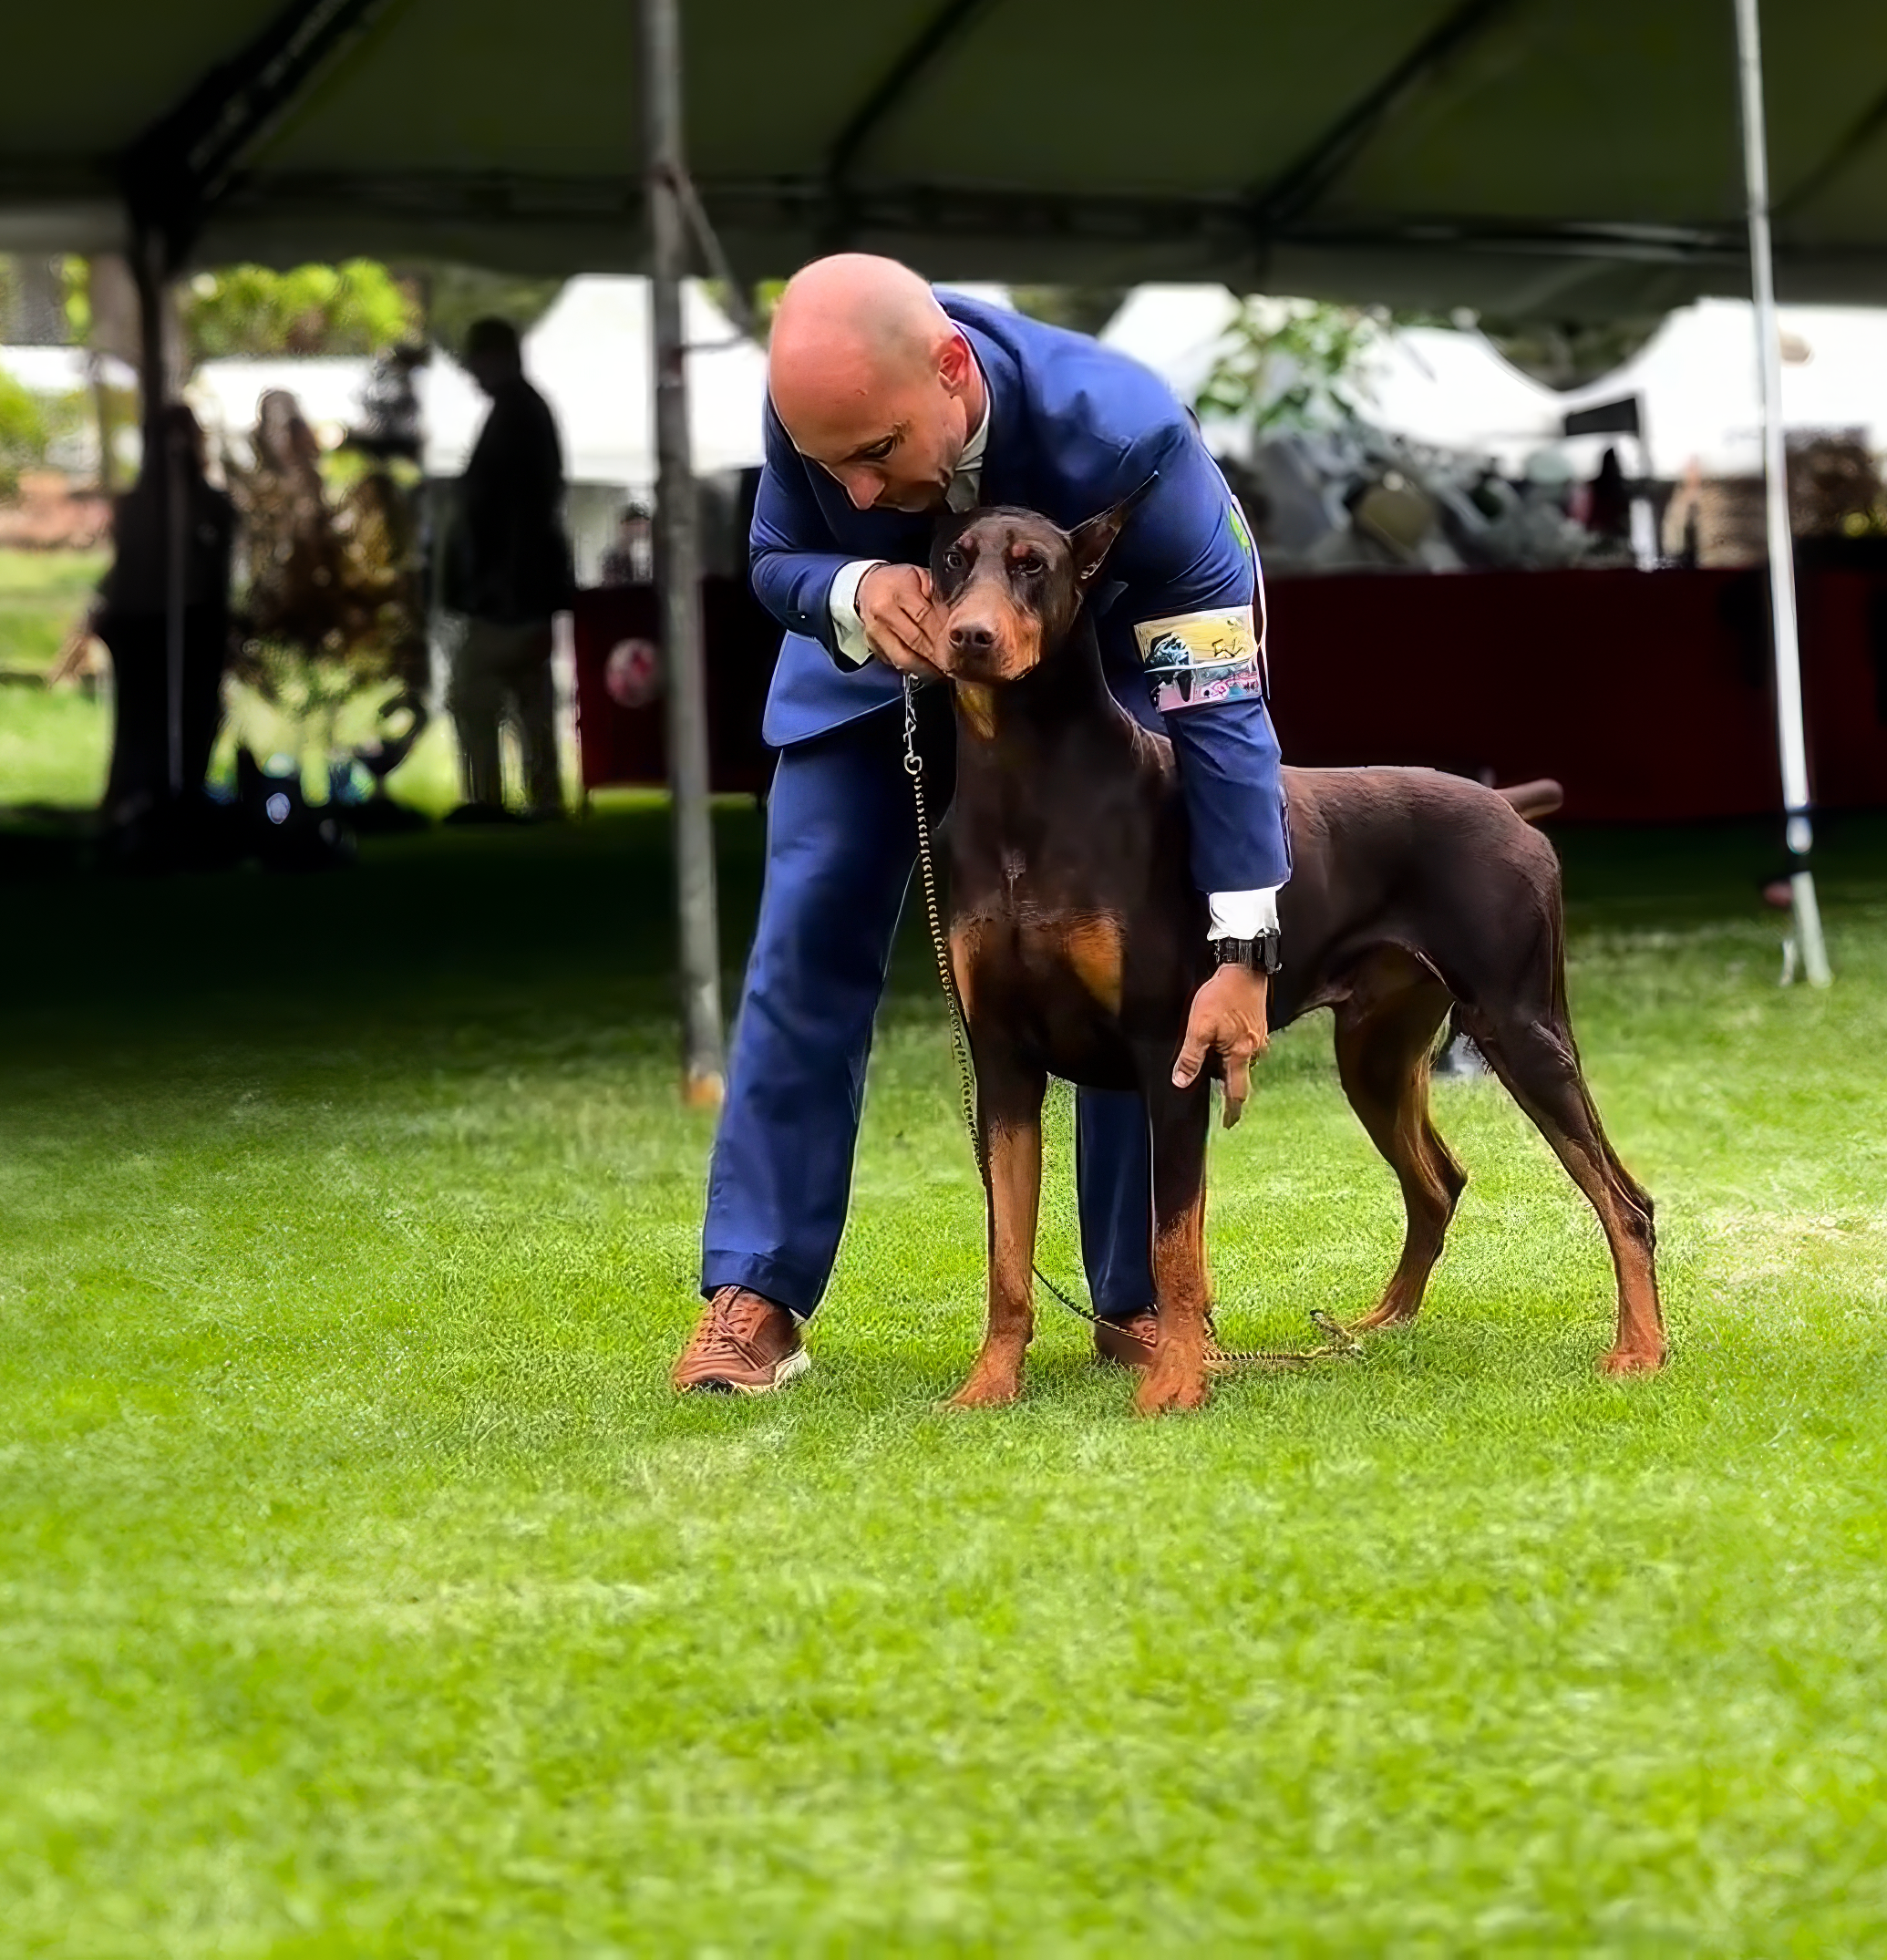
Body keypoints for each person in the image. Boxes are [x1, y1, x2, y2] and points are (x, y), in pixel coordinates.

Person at [672, 254, 1291, 1396]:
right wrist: (853, 587)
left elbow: (1217, 700)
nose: (859, 493)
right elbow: (773, 557)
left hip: (1096, 691)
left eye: (877, 453)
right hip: (869, 678)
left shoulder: (1132, 441)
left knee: (1139, 960)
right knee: (805, 940)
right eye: (831, 464)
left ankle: (1134, 1296)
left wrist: (1245, 939)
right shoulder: (819, 399)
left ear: (952, 370)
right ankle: (755, 1289)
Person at [438, 315, 573, 821]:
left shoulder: (514, 416)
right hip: (528, 585)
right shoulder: (528, 411)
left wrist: (494, 582)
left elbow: (510, 509)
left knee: (471, 692)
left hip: (509, 587)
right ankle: (543, 797)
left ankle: (486, 798)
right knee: (530, 697)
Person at [94, 405, 239, 829]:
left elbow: (219, 570)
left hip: (191, 622)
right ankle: (139, 800)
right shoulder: (141, 506)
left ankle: (179, 795)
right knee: (143, 718)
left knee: (193, 714)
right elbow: (131, 564)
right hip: (146, 623)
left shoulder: (210, 506)